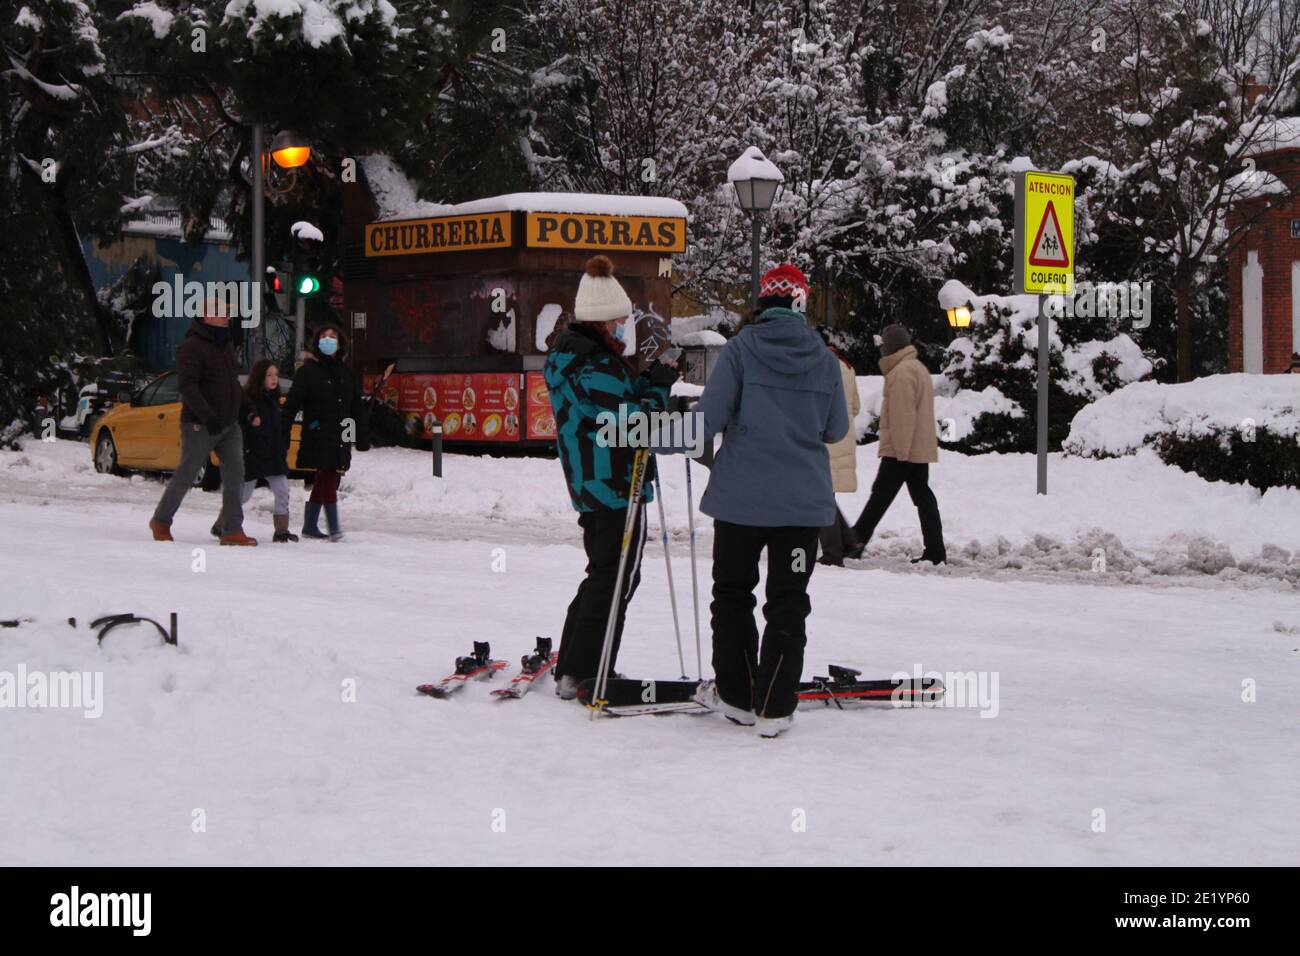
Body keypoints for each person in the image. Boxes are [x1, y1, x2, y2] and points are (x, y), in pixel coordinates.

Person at [687, 263, 848, 737]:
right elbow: (836, 429)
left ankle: (737, 697)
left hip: (740, 504)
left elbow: (707, 421)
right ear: (799, 303)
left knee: (732, 594)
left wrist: (655, 434)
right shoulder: (825, 360)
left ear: (764, 303)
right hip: (801, 509)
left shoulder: (740, 350)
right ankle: (776, 706)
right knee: (788, 601)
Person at [545, 254, 677, 700]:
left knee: (603, 574)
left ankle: (573, 665)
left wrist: (648, 382)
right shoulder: (594, 365)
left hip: (595, 482)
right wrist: (658, 391)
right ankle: (588, 670)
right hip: (616, 483)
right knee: (616, 577)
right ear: (603, 322)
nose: (625, 328)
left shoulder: (581, 358)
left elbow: (614, 409)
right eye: (620, 321)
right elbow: (633, 425)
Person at [149, 299, 257, 546]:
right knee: (187, 473)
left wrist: (249, 409)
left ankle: (232, 529)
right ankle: (161, 520)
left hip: (229, 424)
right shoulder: (192, 347)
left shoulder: (226, 345)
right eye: (221, 313)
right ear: (206, 315)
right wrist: (207, 416)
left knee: (235, 475)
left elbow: (233, 384)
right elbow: (188, 386)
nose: (226, 317)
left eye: (227, 313)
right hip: (200, 424)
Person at [848, 324, 946, 564]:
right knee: (922, 497)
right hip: (916, 448)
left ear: (889, 348)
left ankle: (854, 543)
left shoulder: (901, 372)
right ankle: (935, 551)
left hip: (903, 450)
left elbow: (903, 415)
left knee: (880, 496)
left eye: (883, 346)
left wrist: (900, 452)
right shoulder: (916, 367)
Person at [281, 324, 369, 541]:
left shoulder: (348, 373)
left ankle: (310, 525)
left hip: (341, 433)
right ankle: (334, 527)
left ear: (340, 343)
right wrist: (282, 430)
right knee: (329, 475)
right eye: (324, 336)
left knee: (328, 476)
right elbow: (292, 403)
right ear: (317, 341)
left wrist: (362, 435)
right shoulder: (308, 371)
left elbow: (356, 406)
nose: (328, 340)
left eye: (332, 337)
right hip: (318, 432)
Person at [212, 360, 297, 543]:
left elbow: (278, 429)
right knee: (243, 495)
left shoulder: (274, 400)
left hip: (273, 455)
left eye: (276, 374)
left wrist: (282, 447)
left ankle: (281, 531)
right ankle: (221, 524)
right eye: (269, 375)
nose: (274, 379)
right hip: (252, 454)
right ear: (260, 377)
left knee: (282, 490)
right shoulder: (248, 401)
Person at [815, 327, 861, 566]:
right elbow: (855, 407)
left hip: (826, 437)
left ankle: (833, 552)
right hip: (844, 436)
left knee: (821, 494)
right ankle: (848, 542)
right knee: (826, 493)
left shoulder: (820, 366)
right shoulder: (846, 366)